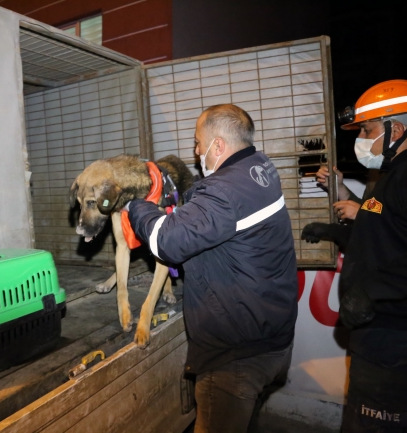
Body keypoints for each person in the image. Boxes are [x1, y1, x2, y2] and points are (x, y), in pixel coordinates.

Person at [126, 104, 299, 432]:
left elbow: (166, 242)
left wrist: (137, 206)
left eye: (197, 143)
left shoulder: (223, 191)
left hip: (237, 357)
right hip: (273, 338)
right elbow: (225, 216)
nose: (194, 152)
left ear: (217, 146)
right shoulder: (260, 167)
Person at [303, 79, 407, 432]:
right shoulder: (390, 175)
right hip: (379, 333)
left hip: (395, 336)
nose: (362, 139)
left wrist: (372, 290)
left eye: (367, 130)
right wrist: (334, 231)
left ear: (395, 128)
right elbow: (382, 235)